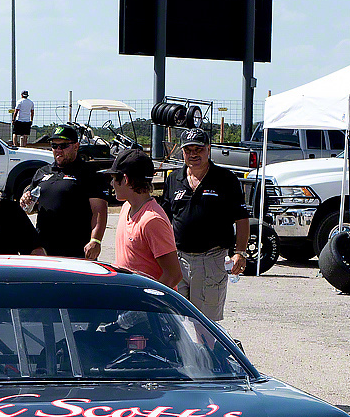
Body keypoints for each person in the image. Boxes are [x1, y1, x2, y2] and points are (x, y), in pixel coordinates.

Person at [160, 128, 249, 322]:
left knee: (206, 324)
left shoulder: (226, 179)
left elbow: (242, 218)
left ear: (208, 149)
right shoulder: (173, 179)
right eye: (188, 150)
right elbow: (164, 218)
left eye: (198, 149)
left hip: (211, 259)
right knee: (175, 321)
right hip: (178, 260)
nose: (193, 154)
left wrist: (240, 252)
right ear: (182, 152)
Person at [20, 123, 107, 259]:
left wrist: (95, 240)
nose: (58, 150)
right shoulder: (42, 172)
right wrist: (25, 200)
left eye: (64, 146)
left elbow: (99, 210)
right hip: (45, 251)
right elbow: (29, 208)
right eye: (54, 146)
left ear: (76, 146)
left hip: (76, 250)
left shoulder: (89, 174)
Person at [101, 149, 181, 288]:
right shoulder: (126, 207)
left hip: (143, 301)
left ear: (125, 179)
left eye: (114, 178)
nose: (112, 184)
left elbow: (173, 275)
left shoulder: (151, 220)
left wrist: (146, 298)